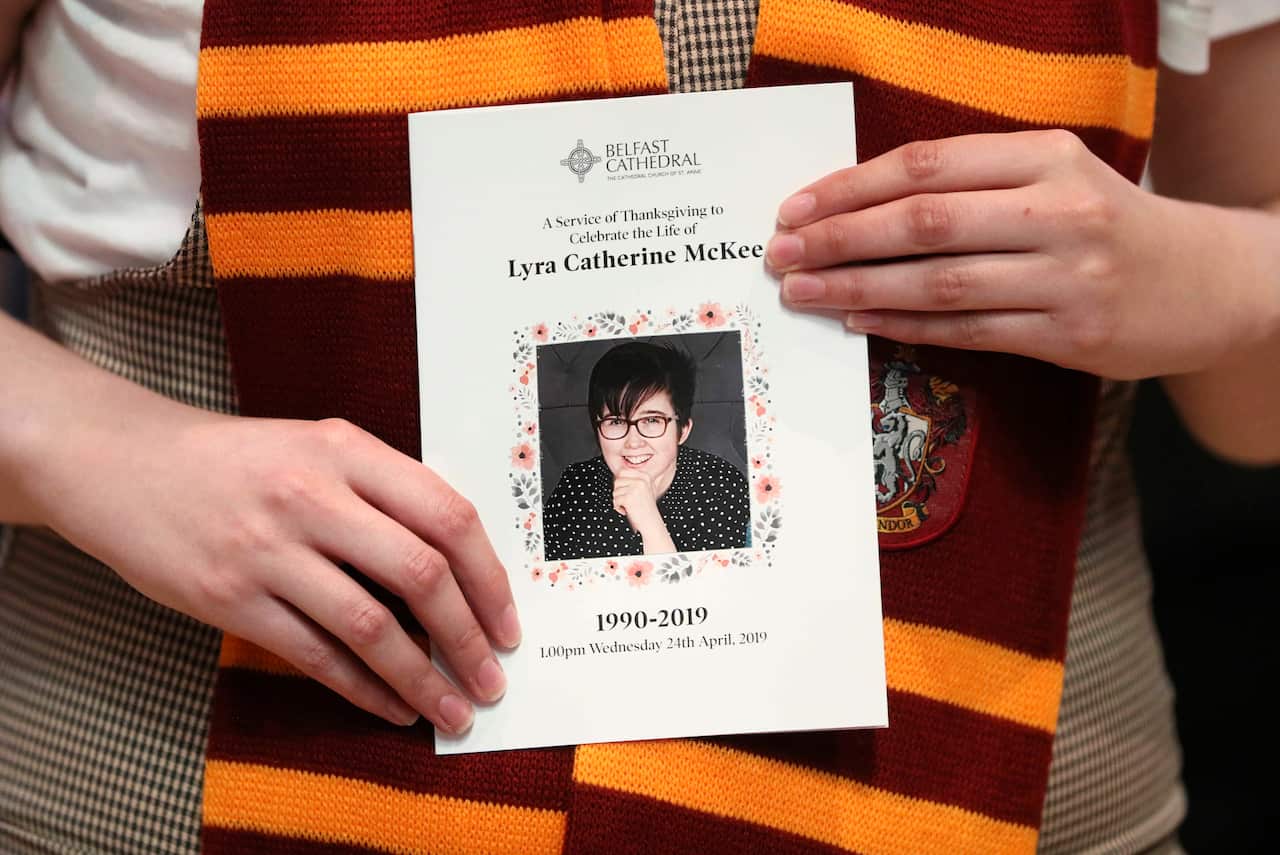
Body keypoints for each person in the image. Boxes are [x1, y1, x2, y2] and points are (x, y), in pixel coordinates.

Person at [0, 1, 1277, 854]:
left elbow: (1248, 413)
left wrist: (1216, 276)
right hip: (183, 786)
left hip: (1022, 801)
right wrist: (91, 447)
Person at [542, 341, 750, 561]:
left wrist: (649, 519)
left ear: (683, 430)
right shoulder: (575, 487)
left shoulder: (721, 485)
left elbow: (707, 592)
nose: (633, 441)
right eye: (615, 421)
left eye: (652, 420)